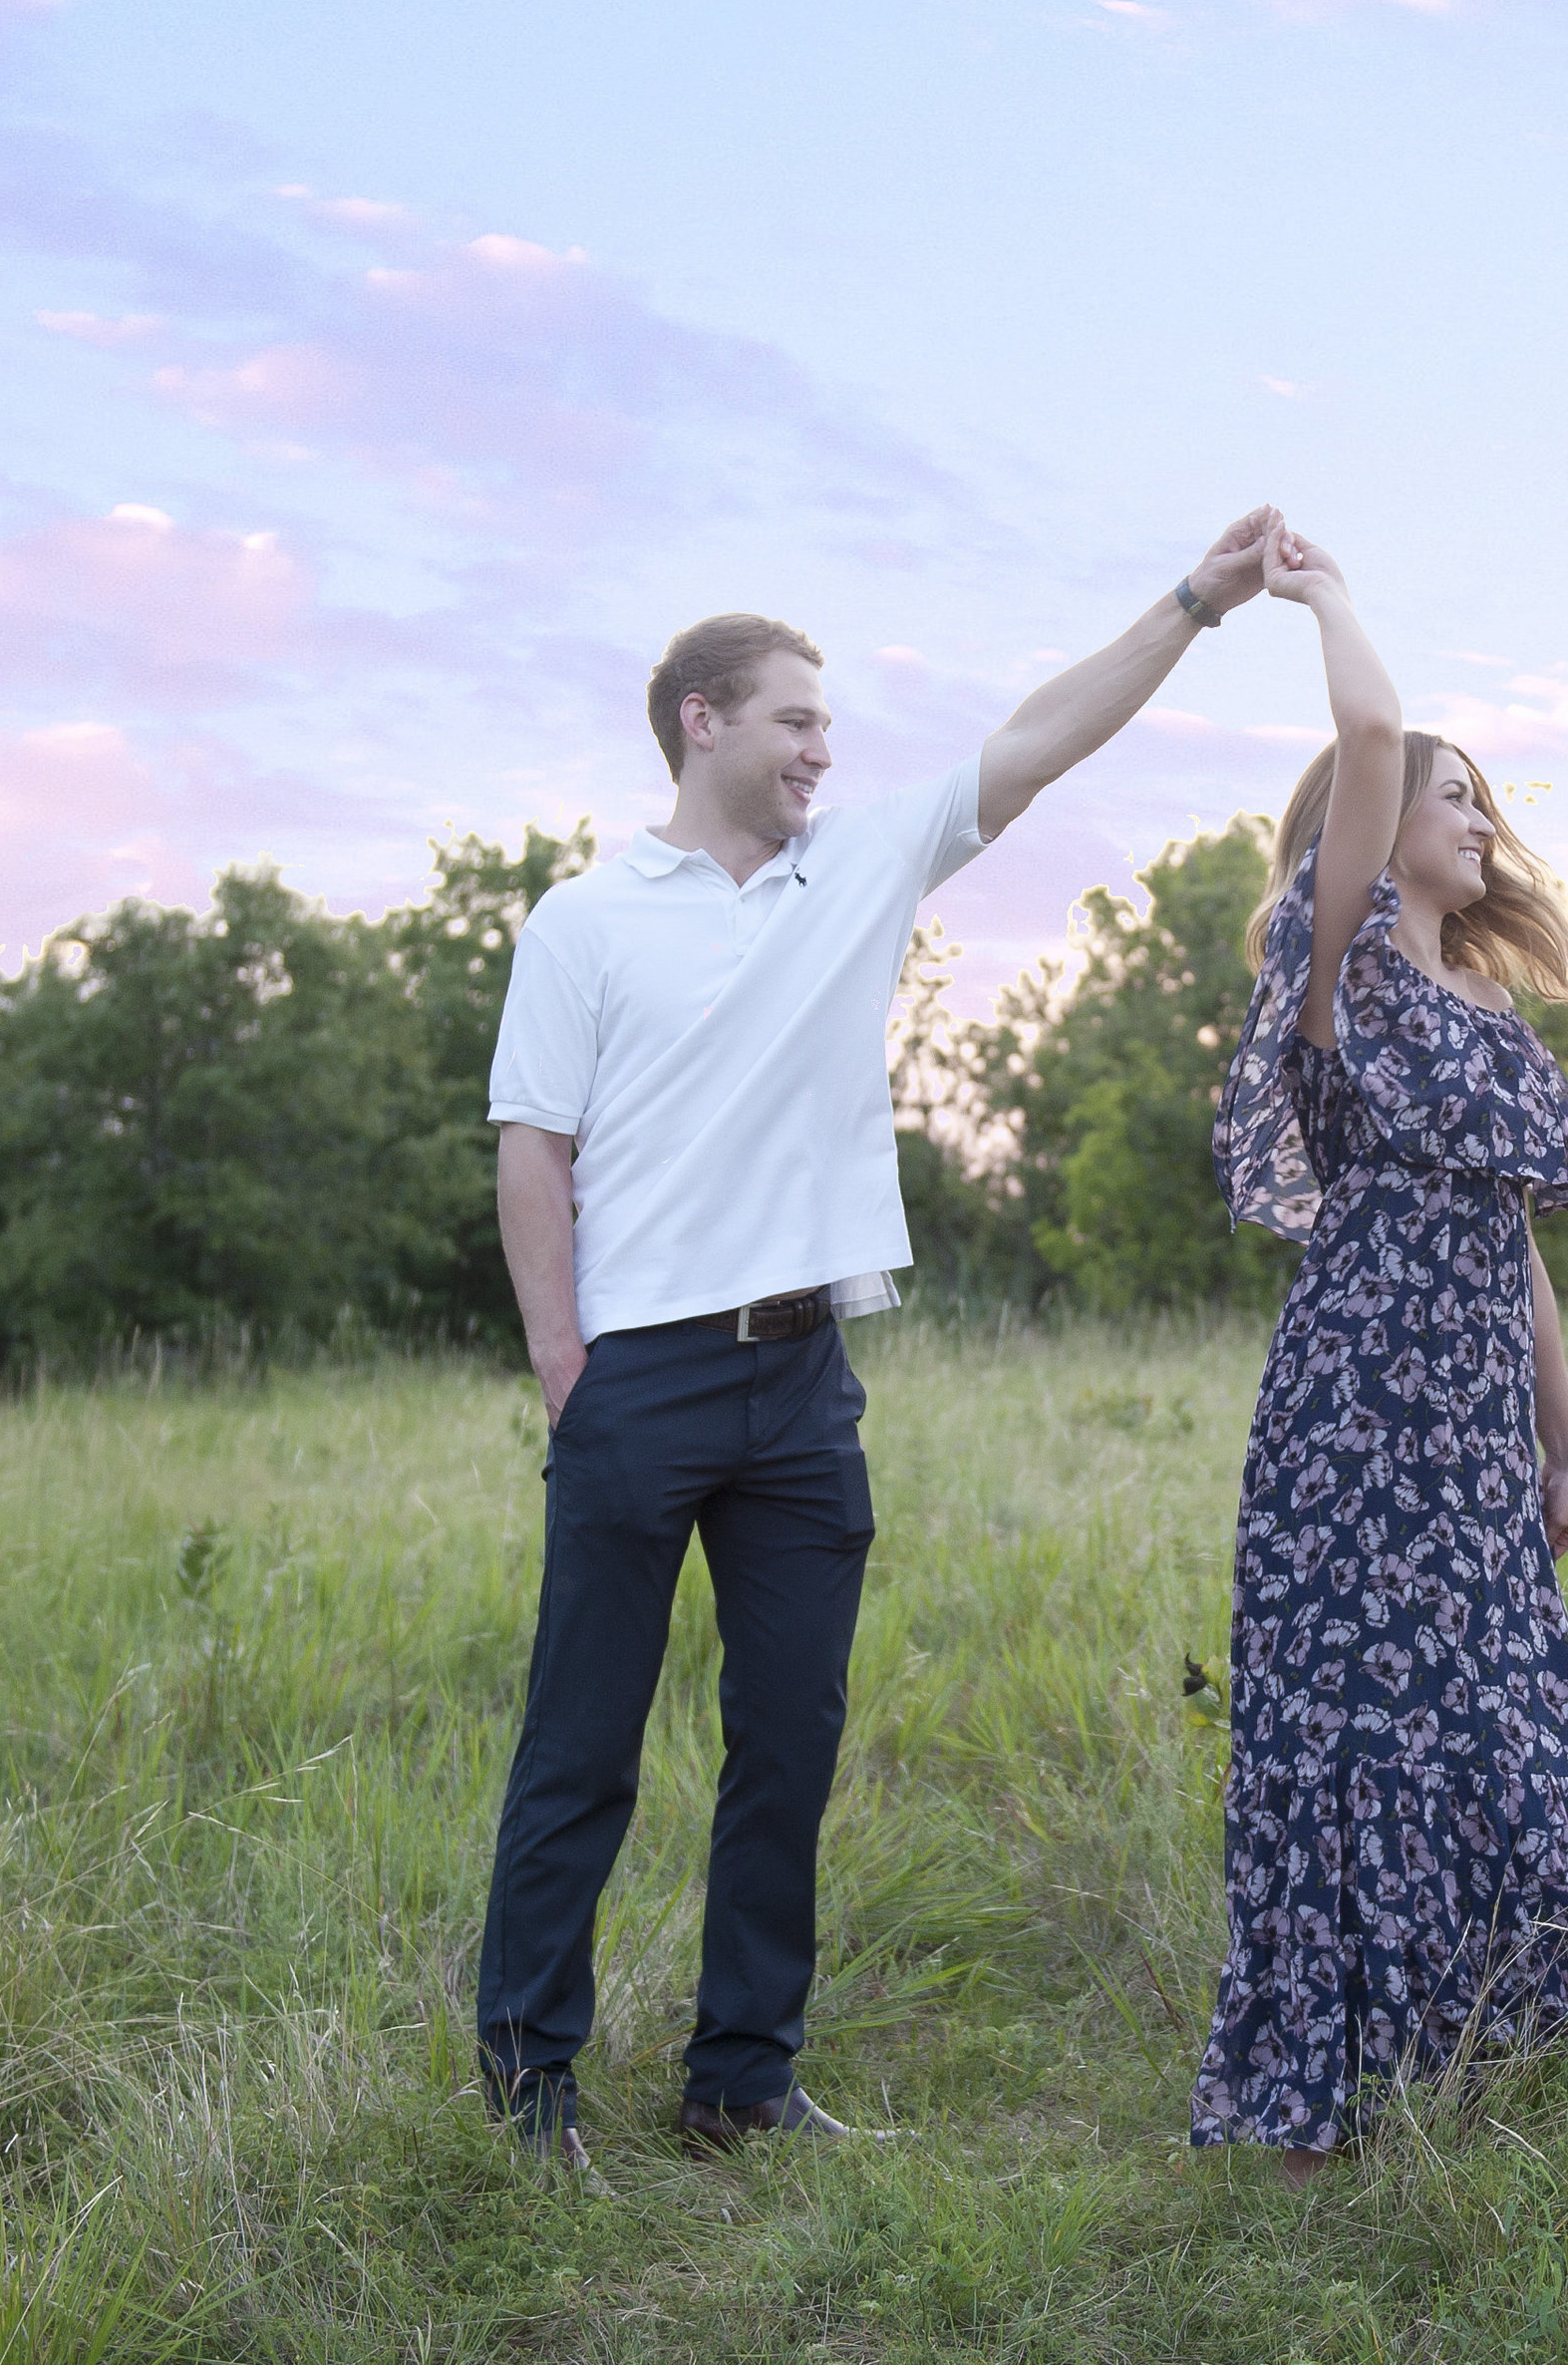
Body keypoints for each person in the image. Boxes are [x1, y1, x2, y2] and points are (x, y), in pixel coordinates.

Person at [478, 509, 1282, 2174]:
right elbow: (531, 1152)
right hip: (640, 1379)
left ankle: (741, 2079)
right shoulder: (581, 919)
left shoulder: (855, 863)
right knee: (583, 1749)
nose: (821, 751)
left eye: (827, 726)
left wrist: (1197, 601)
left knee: (791, 1746)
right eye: (794, 719)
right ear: (702, 721)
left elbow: (1037, 742)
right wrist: (571, 1370)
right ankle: (530, 2090)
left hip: (802, 1386)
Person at [1194, 520, 1568, 2181]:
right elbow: (1375, 736)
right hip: (1353, 1417)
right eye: (1455, 795)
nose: (1477, 817)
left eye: (1479, 800)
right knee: (1350, 1728)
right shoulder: (1339, 970)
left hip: (1470, 1429)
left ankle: (1485, 2016)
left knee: (1501, 1712)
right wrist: (1320, 593)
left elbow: (1510, 1233)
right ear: (1372, 838)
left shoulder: (1491, 1019)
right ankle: (1332, 2067)